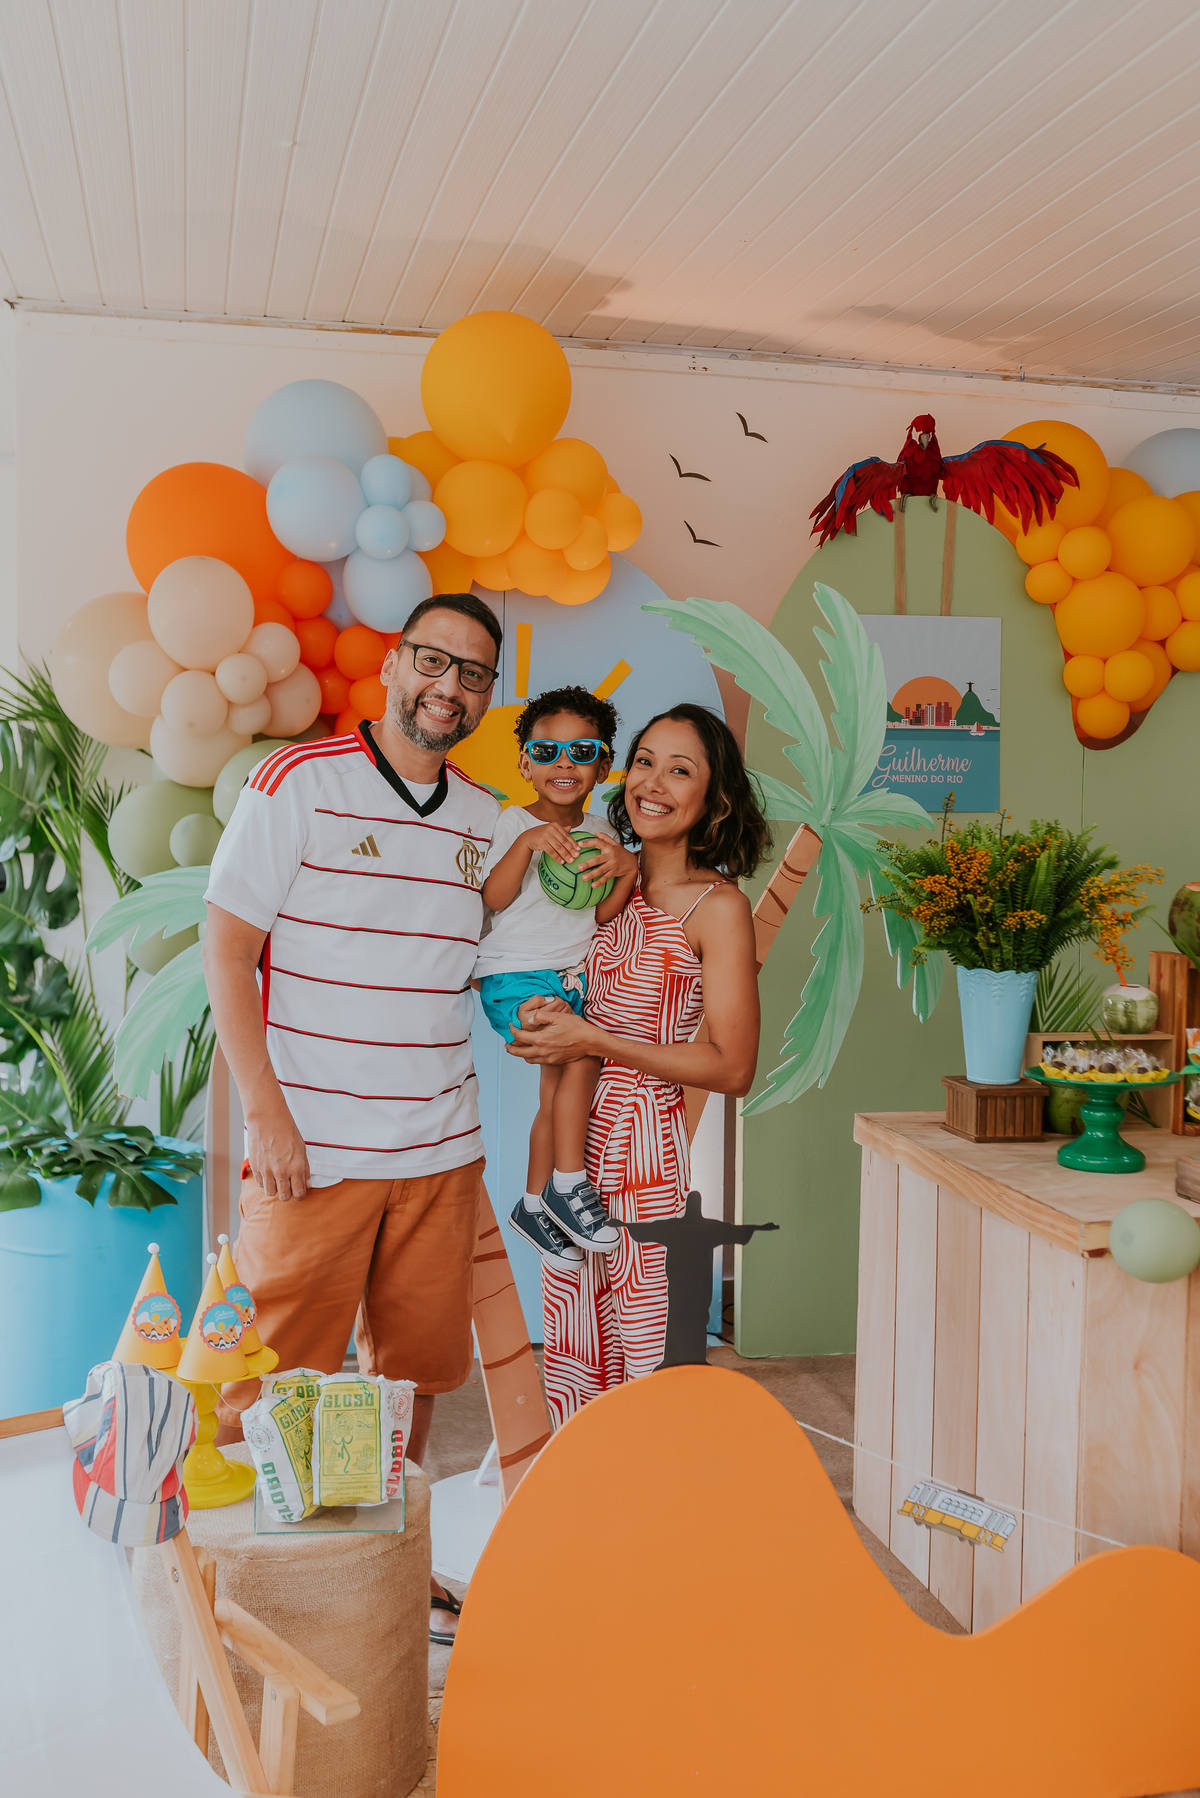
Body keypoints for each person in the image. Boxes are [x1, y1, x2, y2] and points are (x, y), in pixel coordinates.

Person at [202, 591, 503, 1645]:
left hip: (440, 1151)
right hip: (309, 1154)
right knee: (265, 1379)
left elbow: (540, 920)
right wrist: (265, 1116)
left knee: (413, 1380)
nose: (449, 687)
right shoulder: (298, 783)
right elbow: (226, 949)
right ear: (393, 663)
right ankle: (251, 1593)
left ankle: (391, 1572)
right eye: (435, 660)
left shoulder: (486, 818)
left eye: (473, 674)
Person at [506, 703, 771, 1427]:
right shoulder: (596, 883)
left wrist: (592, 1040)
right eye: (646, 761)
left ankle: (646, 1514)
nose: (653, 782)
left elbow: (733, 1068)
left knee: (644, 1350)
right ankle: (582, 1511)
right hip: (569, 1148)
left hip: (643, 1149)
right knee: (571, 1342)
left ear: (714, 799)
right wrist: (540, 1027)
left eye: (680, 770)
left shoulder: (717, 907)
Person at [475, 687, 639, 1269]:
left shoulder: (604, 831)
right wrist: (525, 844)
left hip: (570, 979)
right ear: (524, 763)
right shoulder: (512, 822)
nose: (562, 763)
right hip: (512, 977)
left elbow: (601, 914)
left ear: (602, 764)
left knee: (555, 1095)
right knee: (585, 1059)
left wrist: (628, 868)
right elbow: (491, 900)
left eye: (580, 750)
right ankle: (569, 1187)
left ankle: (530, 1203)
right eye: (545, 751)